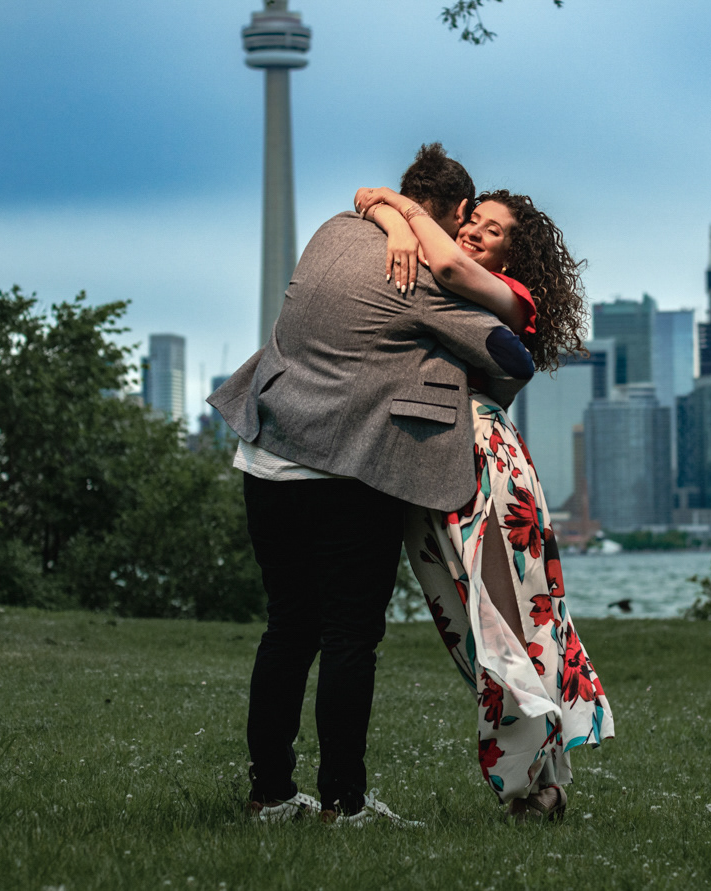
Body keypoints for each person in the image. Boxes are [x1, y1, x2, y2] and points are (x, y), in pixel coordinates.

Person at [206, 145, 536, 827]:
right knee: (351, 635)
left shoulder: (332, 228)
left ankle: (268, 793)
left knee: (288, 628)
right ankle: (343, 803)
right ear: (452, 215)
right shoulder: (422, 272)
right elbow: (509, 354)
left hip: (264, 453)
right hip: (345, 469)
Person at [354, 183, 615, 823]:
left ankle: (533, 789)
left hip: (483, 459)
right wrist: (382, 215)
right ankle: (543, 775)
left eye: (492, 230)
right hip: (421, 462)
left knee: (510, 616)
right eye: (472, 220)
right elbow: (412, 243)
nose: (472, 232)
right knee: (464, 626)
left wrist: (393, 205)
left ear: (512, 255)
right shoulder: (439, 280)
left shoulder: (509, 298)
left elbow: (445, 262)